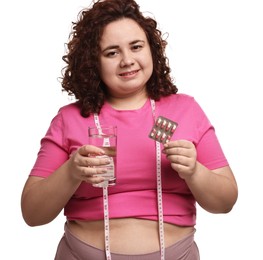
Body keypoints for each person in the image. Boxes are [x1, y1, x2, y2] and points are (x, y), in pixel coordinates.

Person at [21, 0, 238, 259]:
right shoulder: (70, 119)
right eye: (112, 52)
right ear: (93, 62)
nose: (127, 60)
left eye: (136, 47)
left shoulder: (186, 110)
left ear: (152, 50)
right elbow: (32, 214)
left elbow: (225, 202)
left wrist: (195, 172)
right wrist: (71, 171)